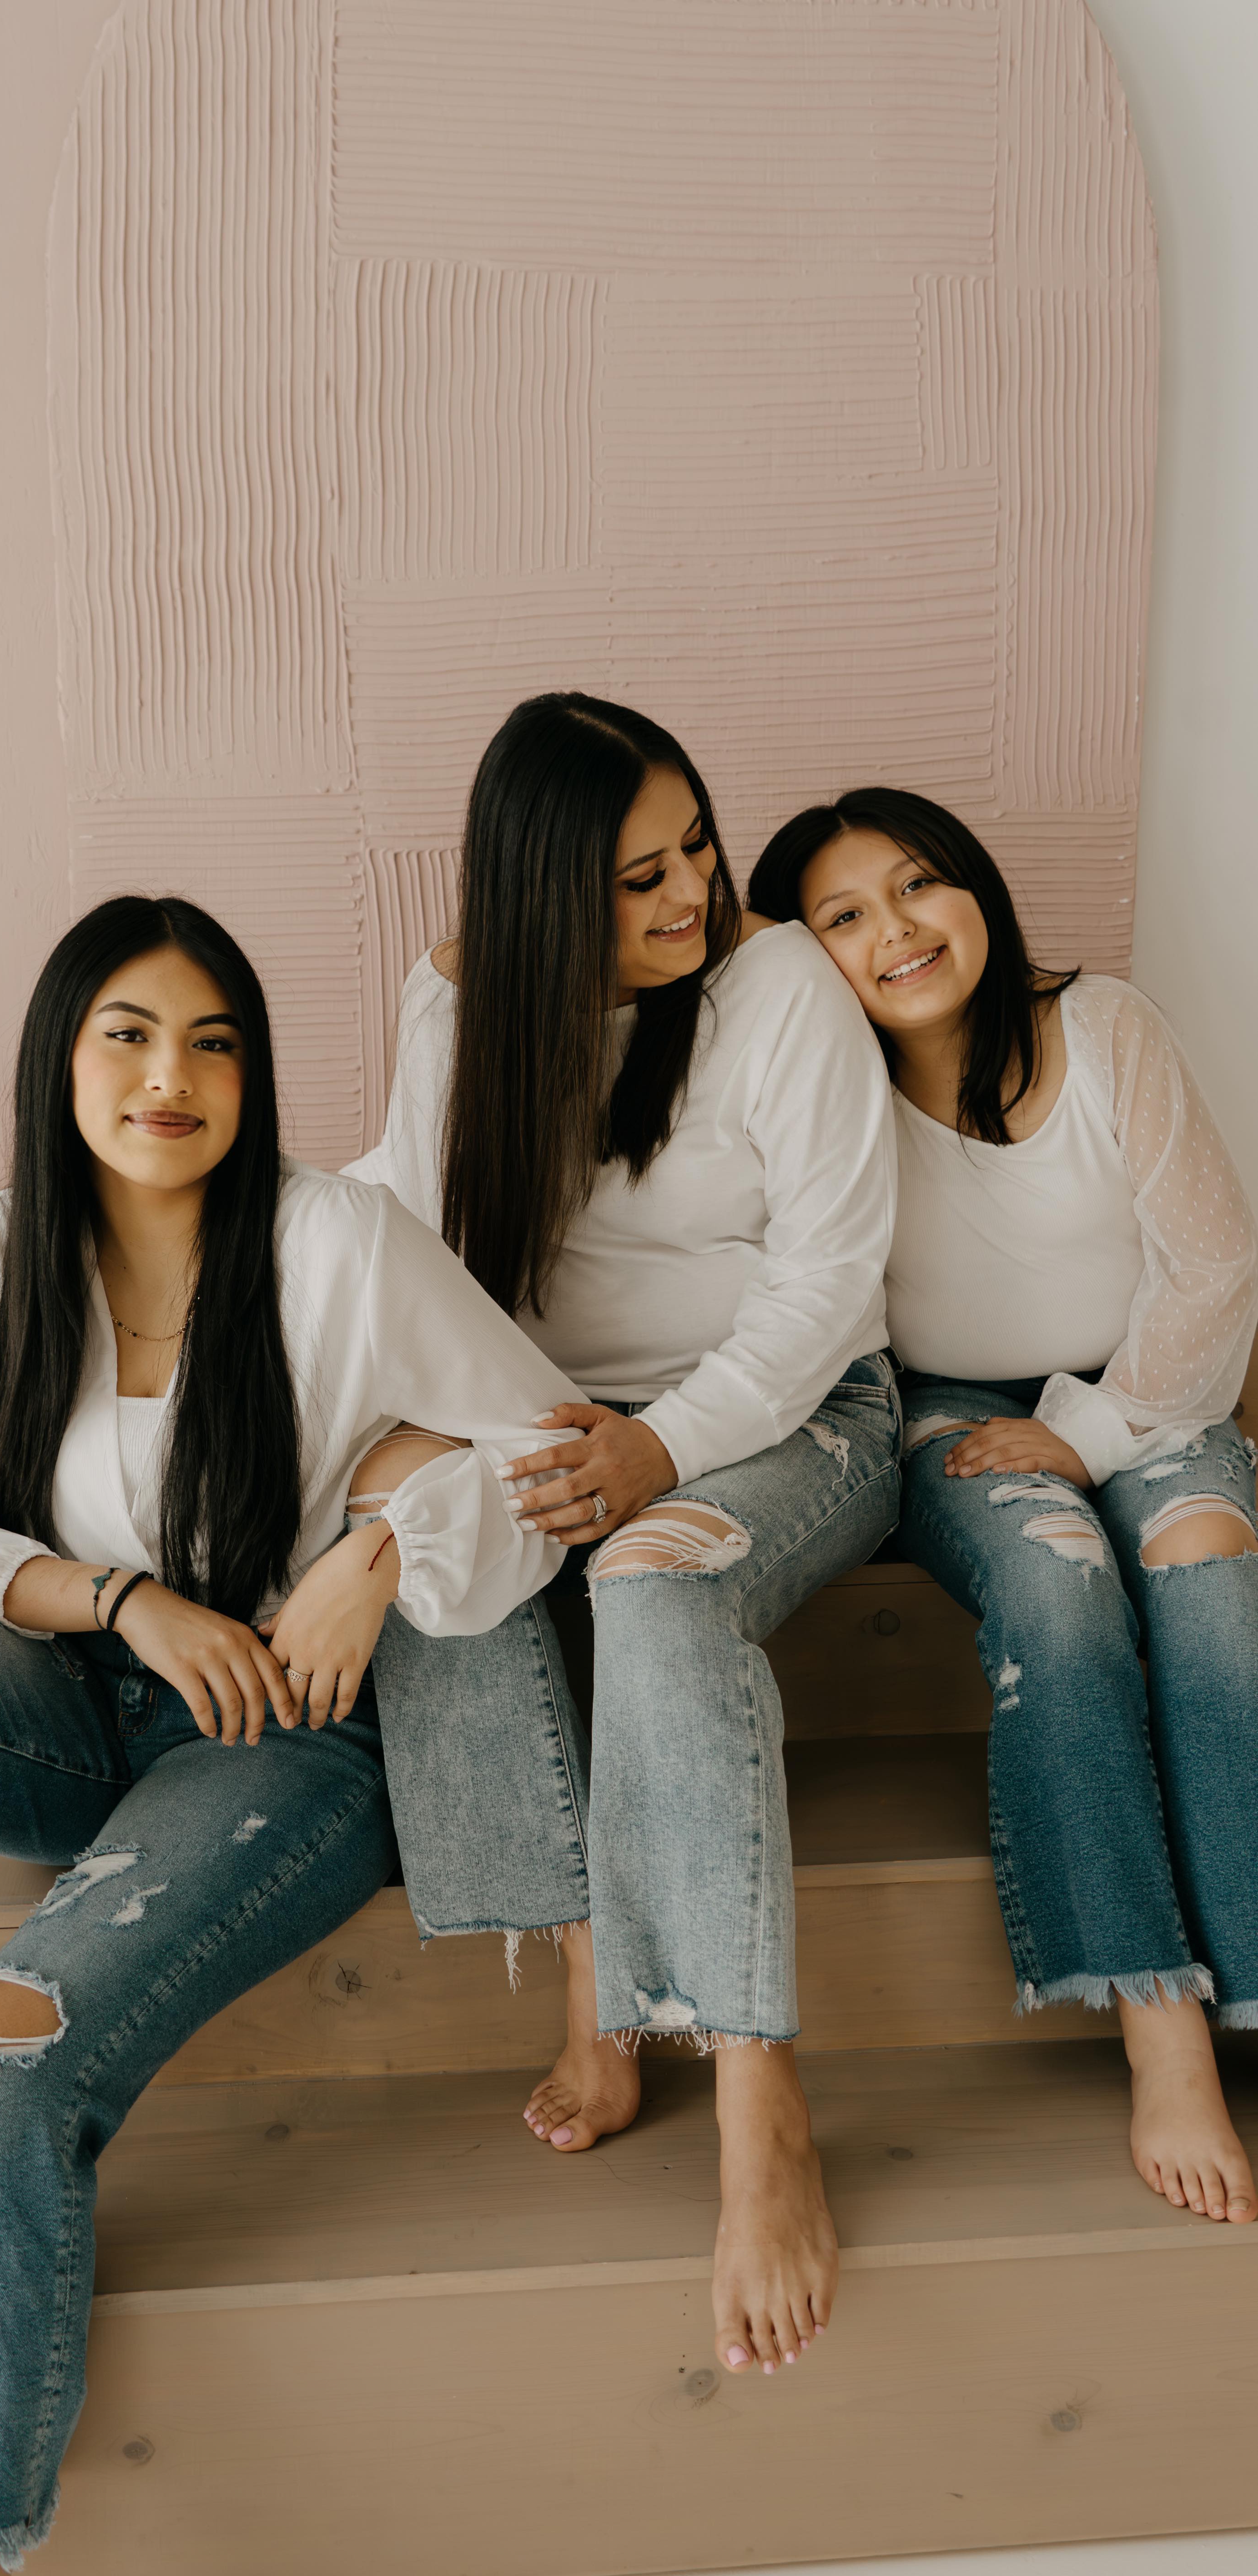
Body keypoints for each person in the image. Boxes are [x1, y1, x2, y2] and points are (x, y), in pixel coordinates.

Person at [0, 893, 585, 2576]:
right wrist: (121, 1598)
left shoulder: (336, 1243)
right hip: (71, 1711)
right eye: (130, 1035)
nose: (173, 1076)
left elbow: (552, 1449)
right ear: (61, 1059)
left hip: (282, 1750)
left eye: (215, 1041)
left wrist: (381, 1550)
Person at [352, 692, 900, 2379]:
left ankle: (756, 2091)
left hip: (792, 1414)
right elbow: (418, 1231)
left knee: (656, 1598)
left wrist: (660, 1450)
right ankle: (596, 1984)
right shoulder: (461, 1003)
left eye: (695, 851)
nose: (690, 897)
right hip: (559, 1410)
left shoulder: (780, 989)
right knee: (433, 1543)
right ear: (537, 906)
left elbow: (828, 1284)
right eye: (634, 879)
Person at [750, 786, 1258, 2226]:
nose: (897, 930)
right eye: (844, 916)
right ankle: (1158, 2025)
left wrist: (1087, 1434)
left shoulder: (1104, 1025)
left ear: (976, 889)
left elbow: (1215, 1271)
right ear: (803, 957)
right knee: (1058, 1592)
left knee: (1215, 1589)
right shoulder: (813, 1098)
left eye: (920, 886)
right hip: (945, 1417)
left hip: (1152, 1385)